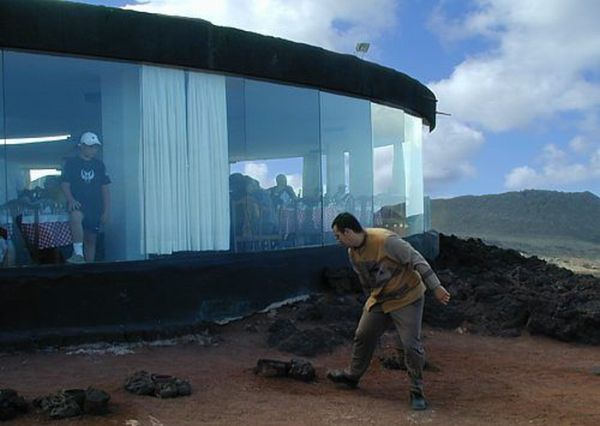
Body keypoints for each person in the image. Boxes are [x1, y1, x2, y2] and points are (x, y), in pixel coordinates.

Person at [327, 212, 451, 411]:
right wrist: (370, 301)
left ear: (348, 232)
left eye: (337, 236)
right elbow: (366, 282)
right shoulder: (353, 253)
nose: (337, 240)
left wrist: (436, 287)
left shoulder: (386, 240)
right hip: (381, 298)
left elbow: (416, 259)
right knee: (363, 334)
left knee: (411, 345)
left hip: (407, 297)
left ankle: (416, 391)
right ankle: (352, 376)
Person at [60, 132, 111, 264]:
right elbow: (65, 184)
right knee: (75, 216)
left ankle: (89, 268)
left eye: (95, 147)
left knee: (90, 239)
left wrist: (106, 211)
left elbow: (105, 188)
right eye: (90, 146)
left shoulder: (99, 165)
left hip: (95, 206)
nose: (93, 149)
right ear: (82, 146)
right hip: (78, 203)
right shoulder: (71, 163)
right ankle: (78, 253)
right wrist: (71, 200)